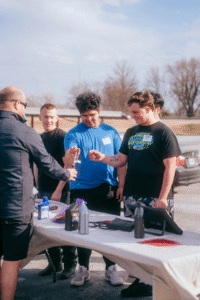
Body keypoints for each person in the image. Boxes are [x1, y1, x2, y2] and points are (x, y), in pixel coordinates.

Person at [89, 91, 181, 298]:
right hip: (133, 196)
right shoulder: (131, 132)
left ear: (149, 109)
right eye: (131, 113)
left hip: (154, 197)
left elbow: (170, 168)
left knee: (157, 241)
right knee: (136, 240)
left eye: (136, 112)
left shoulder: (164, 133)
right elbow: (120, 160)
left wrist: (163, 198)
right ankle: (142, 281)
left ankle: (160, 283)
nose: (133, 116)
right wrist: (102, 157)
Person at [0, 86, 77, 300]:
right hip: (15, 209)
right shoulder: (24, 131)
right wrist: (67, 172)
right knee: (11, 260)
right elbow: (47, 164)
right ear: (17, 105)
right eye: (24, 106)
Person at [64, 92, 126, 287]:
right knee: (83, 230)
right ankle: (83, 268)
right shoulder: (73, 134)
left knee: (111, 231)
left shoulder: (111, 132)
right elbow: (67, 162)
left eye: (92, 114)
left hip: (108, 188)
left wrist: (122, 185)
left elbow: (121, 162)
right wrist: (71, 155)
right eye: (84, 116)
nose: (89, 119)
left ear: (99, 111)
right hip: (80, 191)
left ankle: (110, 268)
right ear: (79, 115)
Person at [34, 103, 77, 279]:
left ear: (57, 117)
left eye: (52, 116)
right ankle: (54, 264)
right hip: (43, 189)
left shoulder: (62, 137)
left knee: (63, 228)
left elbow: (67, 165)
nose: (49, 120)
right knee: (46, 229)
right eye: (46, 116)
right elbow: (36, 164)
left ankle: (70, 265)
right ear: (40, 118)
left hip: (60, 190)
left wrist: (59, 189)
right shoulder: (38, 137)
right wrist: (38, 186)